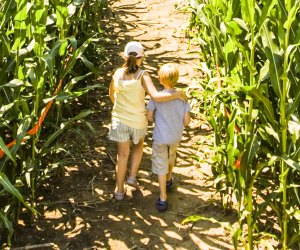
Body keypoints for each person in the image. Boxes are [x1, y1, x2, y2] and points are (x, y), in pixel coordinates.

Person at [108, 41, 186, 201]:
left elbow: (111, 95)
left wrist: (120, 106)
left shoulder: (117, 73)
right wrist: (177, 95)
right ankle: (132, 177)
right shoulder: (143, 75)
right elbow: (156, 96)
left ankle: (119, 191)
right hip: (137, 119)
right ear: (141, 57)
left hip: (119, 119)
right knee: (138, 146)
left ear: (124, 55)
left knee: (122, 155)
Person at [146, 63, 191, 211]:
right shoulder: (182, 98)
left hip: (160, 136)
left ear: (160, 80)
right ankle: (169, 178)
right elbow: (187, 121)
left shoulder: (156, 98)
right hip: (175, 136)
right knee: (171, 156)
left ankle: (163, 197)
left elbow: (149, 116)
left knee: (160, 164)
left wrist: (156, 121)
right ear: (177, 79)